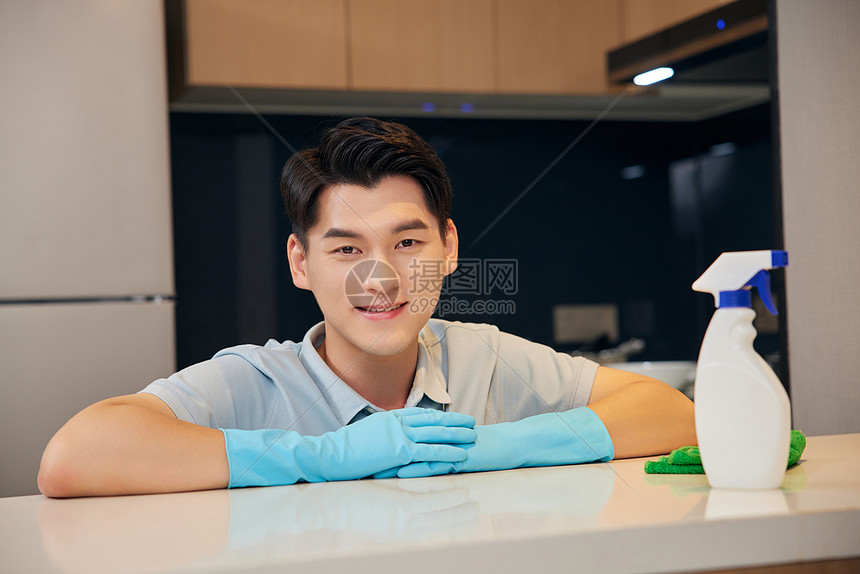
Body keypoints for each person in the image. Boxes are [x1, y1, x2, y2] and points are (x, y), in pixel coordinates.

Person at [38, 117, 696, 497]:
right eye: (347, 249)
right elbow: (74, 457)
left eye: (407, 242)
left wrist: (495, 447)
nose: (380, 278)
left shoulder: (484, 357)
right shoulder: (254, 380)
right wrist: (319, 456)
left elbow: (675, 415)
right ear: (302, 263)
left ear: (447, 246)